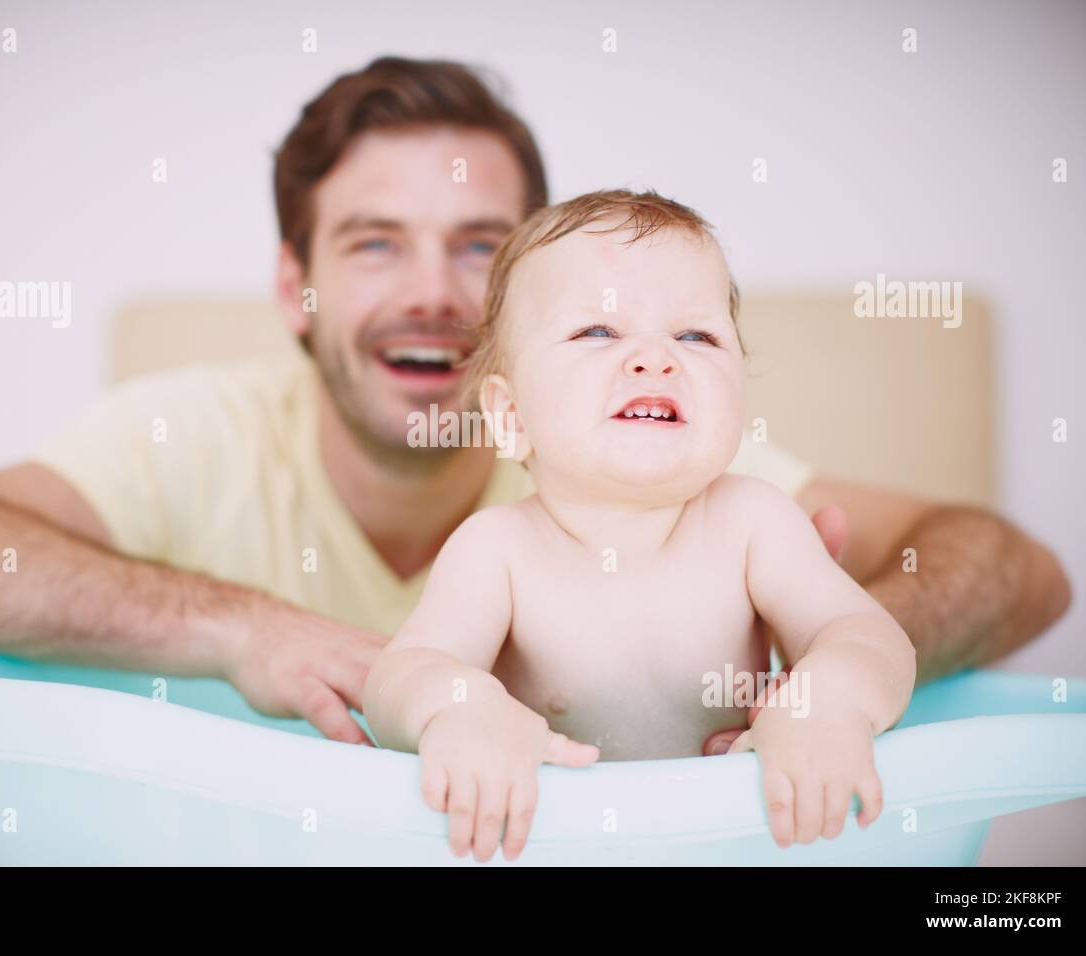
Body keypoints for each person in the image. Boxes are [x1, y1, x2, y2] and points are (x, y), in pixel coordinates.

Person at [0, 56, 1070, 758]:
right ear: (293, 284)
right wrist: (237, 629)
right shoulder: (191, 432)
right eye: (374, 245)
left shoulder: (670, 453)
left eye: (480, 245)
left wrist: (826, 664)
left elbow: (1011, 568)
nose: (433, 297)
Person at [364, 188, 917, 861]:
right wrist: (458, 705)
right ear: (509, 416)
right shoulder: (497, 550)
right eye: (597, 331)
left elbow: (865, 636)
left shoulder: (754, 522)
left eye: (697, 335)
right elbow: (400, 678)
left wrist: (825, 702)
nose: (657, 358)